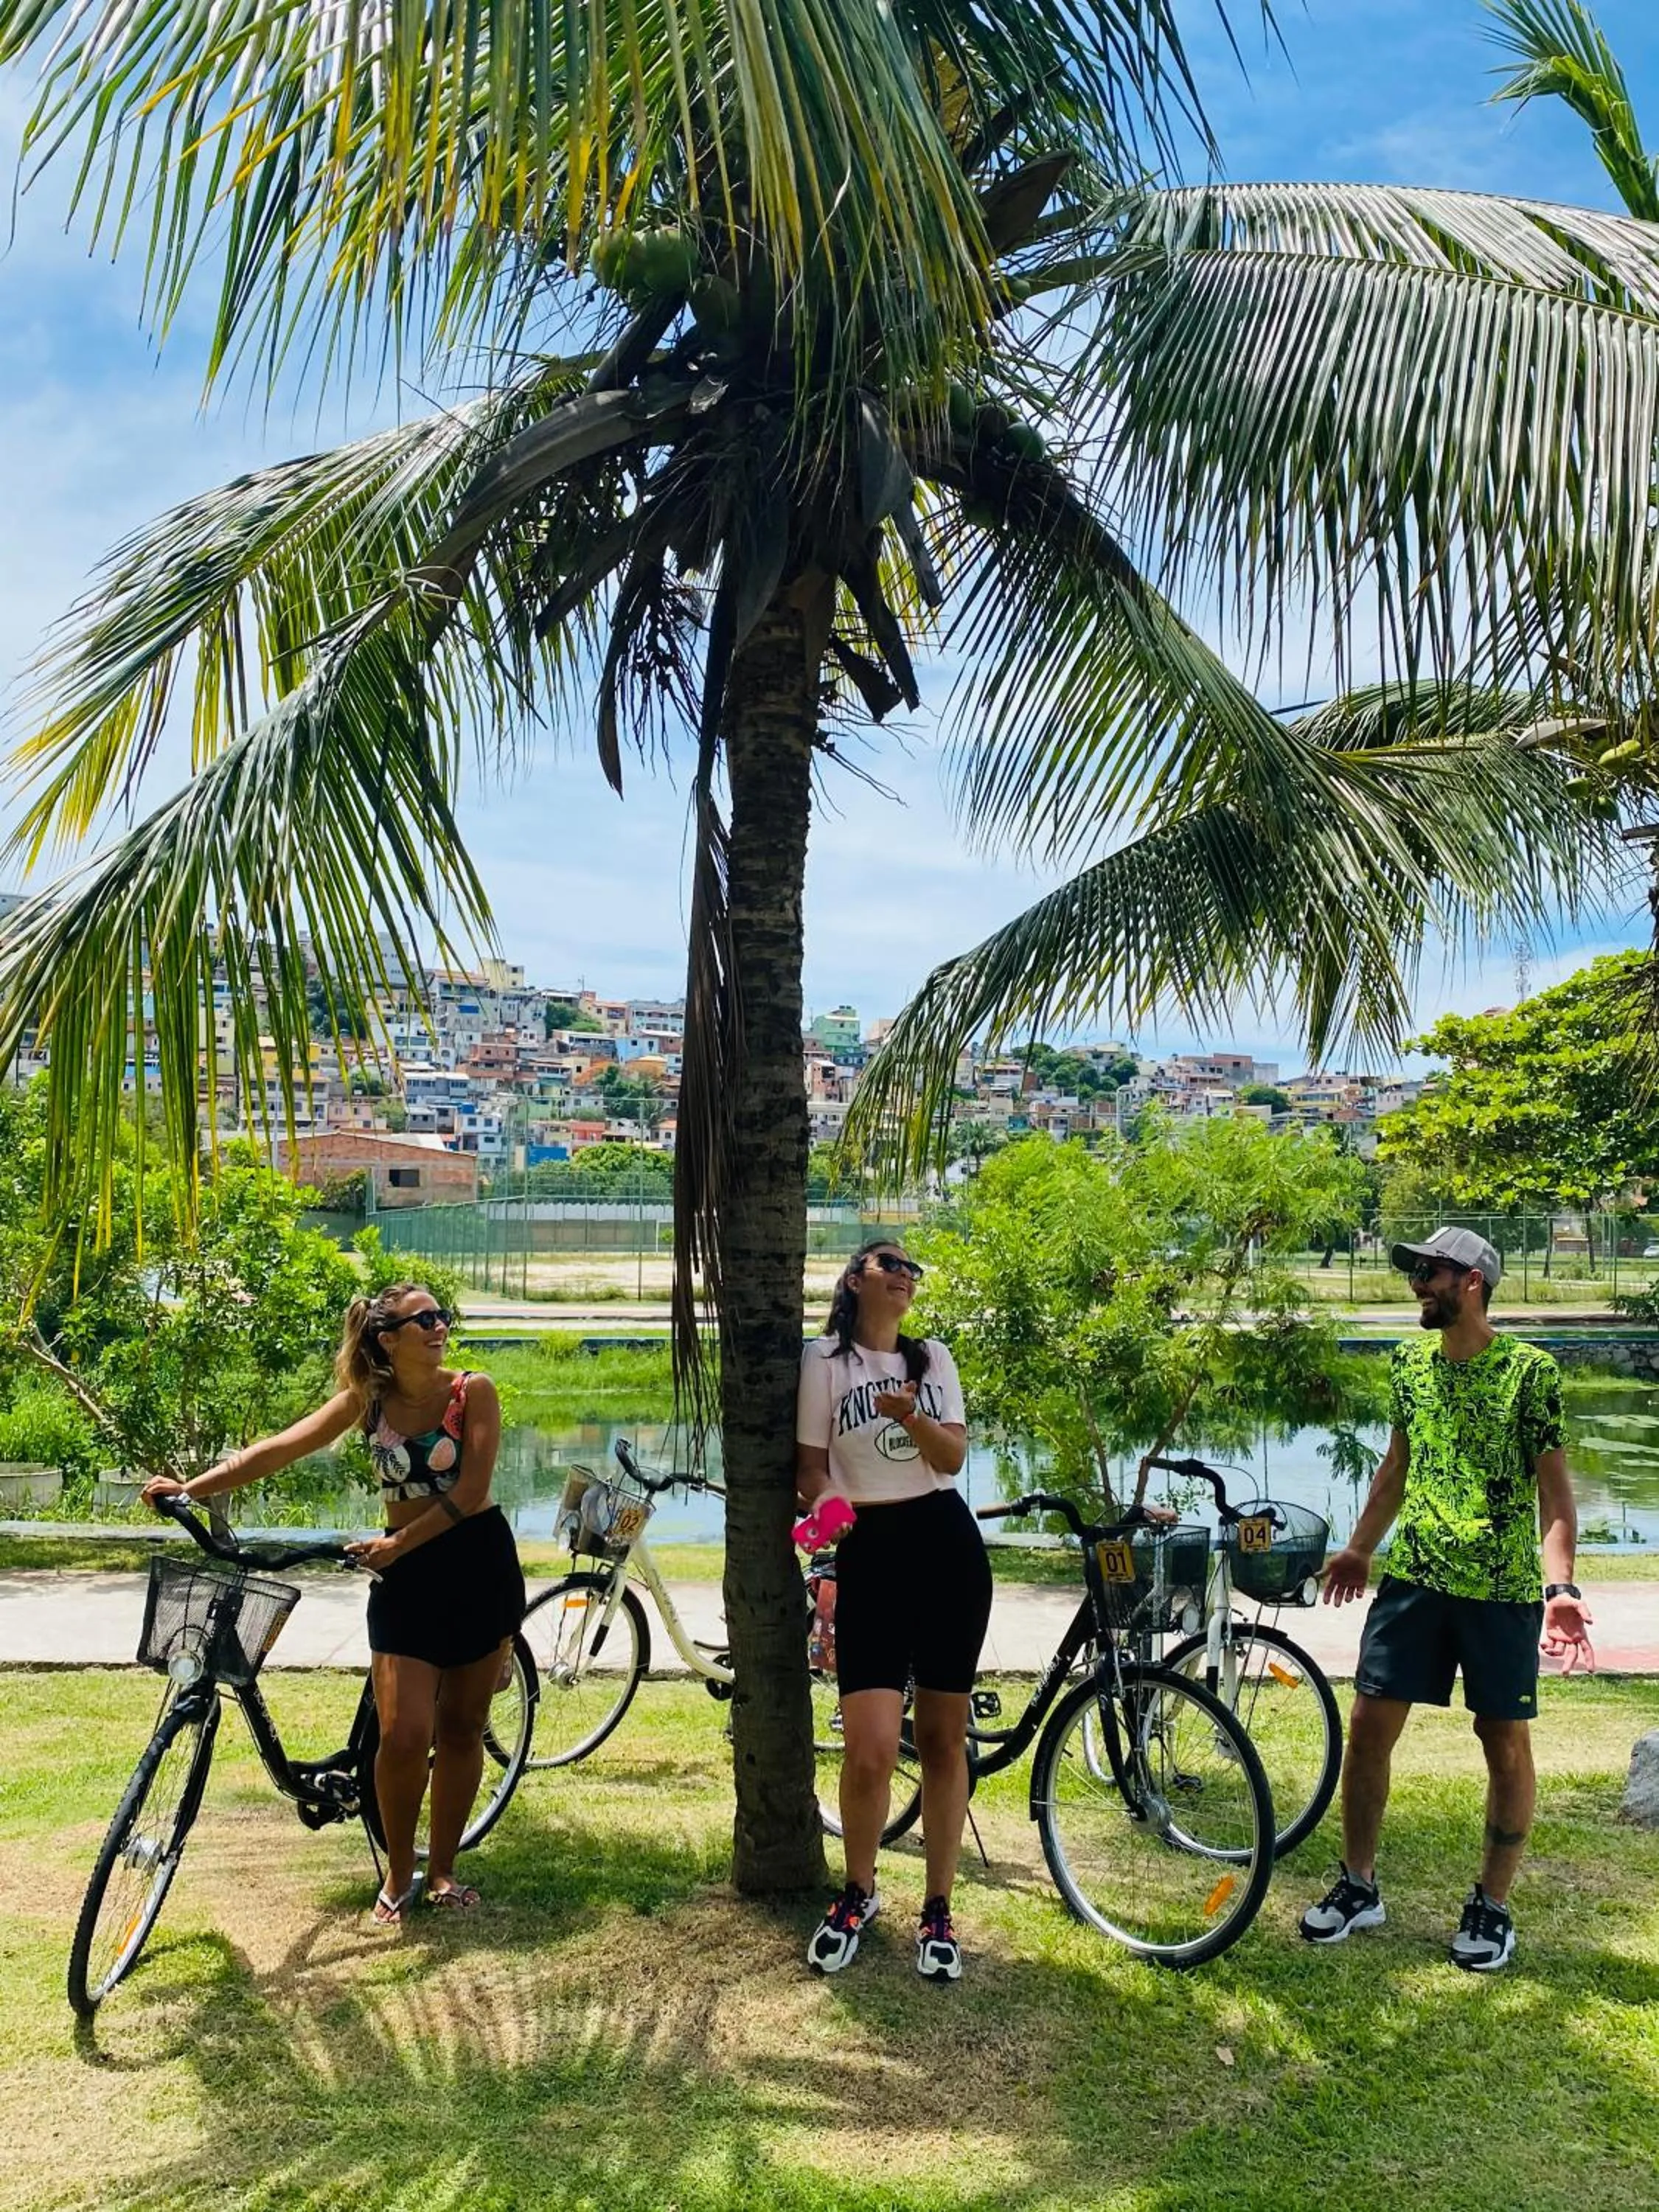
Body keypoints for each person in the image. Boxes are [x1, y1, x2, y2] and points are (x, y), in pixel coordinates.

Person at [142, 1282, 525, 1926]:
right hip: (405, 1579)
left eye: (441, 1316)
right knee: (404, 1737)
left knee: (461, 1730)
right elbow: (283, 1447)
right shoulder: (368, 1401)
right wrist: (193, 1487)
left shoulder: (472, 1391)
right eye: (422, 1319)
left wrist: (398, 1542)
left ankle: (444, 1872)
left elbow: (473, 1490)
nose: (438, 1327)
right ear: (387, 1337)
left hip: (477, 1564)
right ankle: (399, 1873)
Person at [1299, 1227, 1593, 1970]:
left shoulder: (1530, 1373)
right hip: (1416, 1579)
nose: (1415, 1286)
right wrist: (1361, 1546)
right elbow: (1397, 1466)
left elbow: (1555, 1499)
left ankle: (1492, 1906)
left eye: (1428, 1273)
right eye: (1415, 1273)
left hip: (1500, 1589)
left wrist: (1560, 1586)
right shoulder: (1407, 1364)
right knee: (1367, 1726)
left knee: (1503, 1741)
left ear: (1471, 1282)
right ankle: (1358, 1884)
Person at [796, 1237, 992, 1982]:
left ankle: (938, 1907)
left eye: (913, 1269)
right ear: (855, 1280)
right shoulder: (824, 1362)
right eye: (891, 1266)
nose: (906, 1277)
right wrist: (828, 1507)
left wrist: (911, 1418)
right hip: (869, 1550)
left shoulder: (931, 1358)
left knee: (944, 1741)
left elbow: (951, 1460)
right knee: (871, 1747)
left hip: (945, 1547)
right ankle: (859, 1890)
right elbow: (809, 1470)